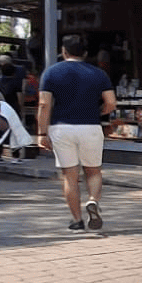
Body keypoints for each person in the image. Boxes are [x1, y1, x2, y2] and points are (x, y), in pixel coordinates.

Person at [38, 35, 115, 232]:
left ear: (64, 51)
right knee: (94, 171)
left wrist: (42, 133)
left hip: (61, 128)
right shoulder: (99, 74)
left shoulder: (51, 73)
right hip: (90, 127)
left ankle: (77, 220)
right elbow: (111, 102)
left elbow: (44, 104)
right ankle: (92, 201)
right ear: (86, 53)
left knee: (70, 176)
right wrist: (100, 112)